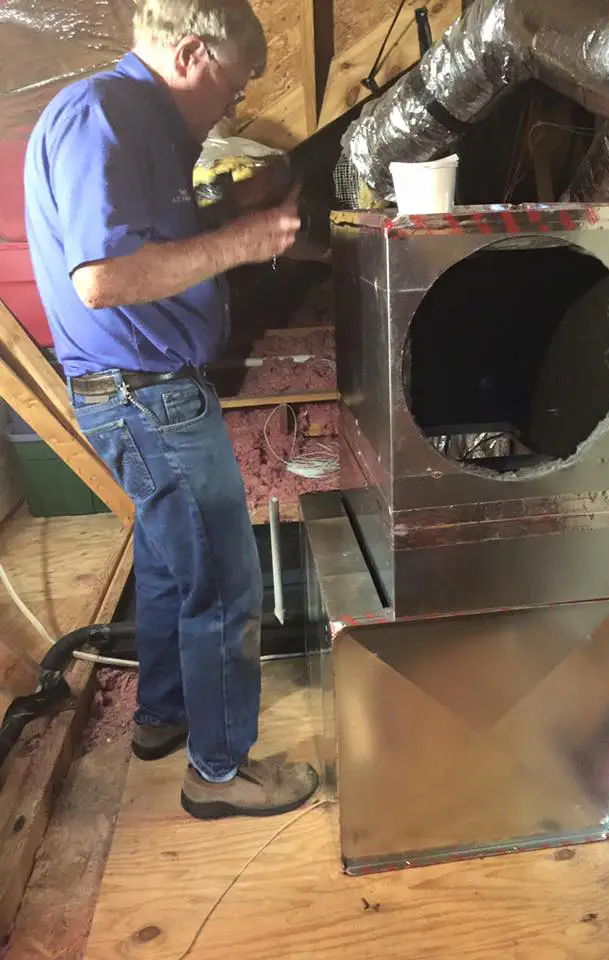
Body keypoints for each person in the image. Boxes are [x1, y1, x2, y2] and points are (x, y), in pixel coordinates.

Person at [23, 0, 319, 820]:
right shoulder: (104, 114)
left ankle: (161, 717)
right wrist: (244, 242)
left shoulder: (137, 123)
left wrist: (230, 213)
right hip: (142, 394)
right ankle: (219, 775)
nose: (230, 109)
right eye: (230, 90)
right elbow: (105, 277)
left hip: (142, 390)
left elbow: (149, 245)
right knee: (224, 584)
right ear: (191, 52)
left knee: (165, 562)